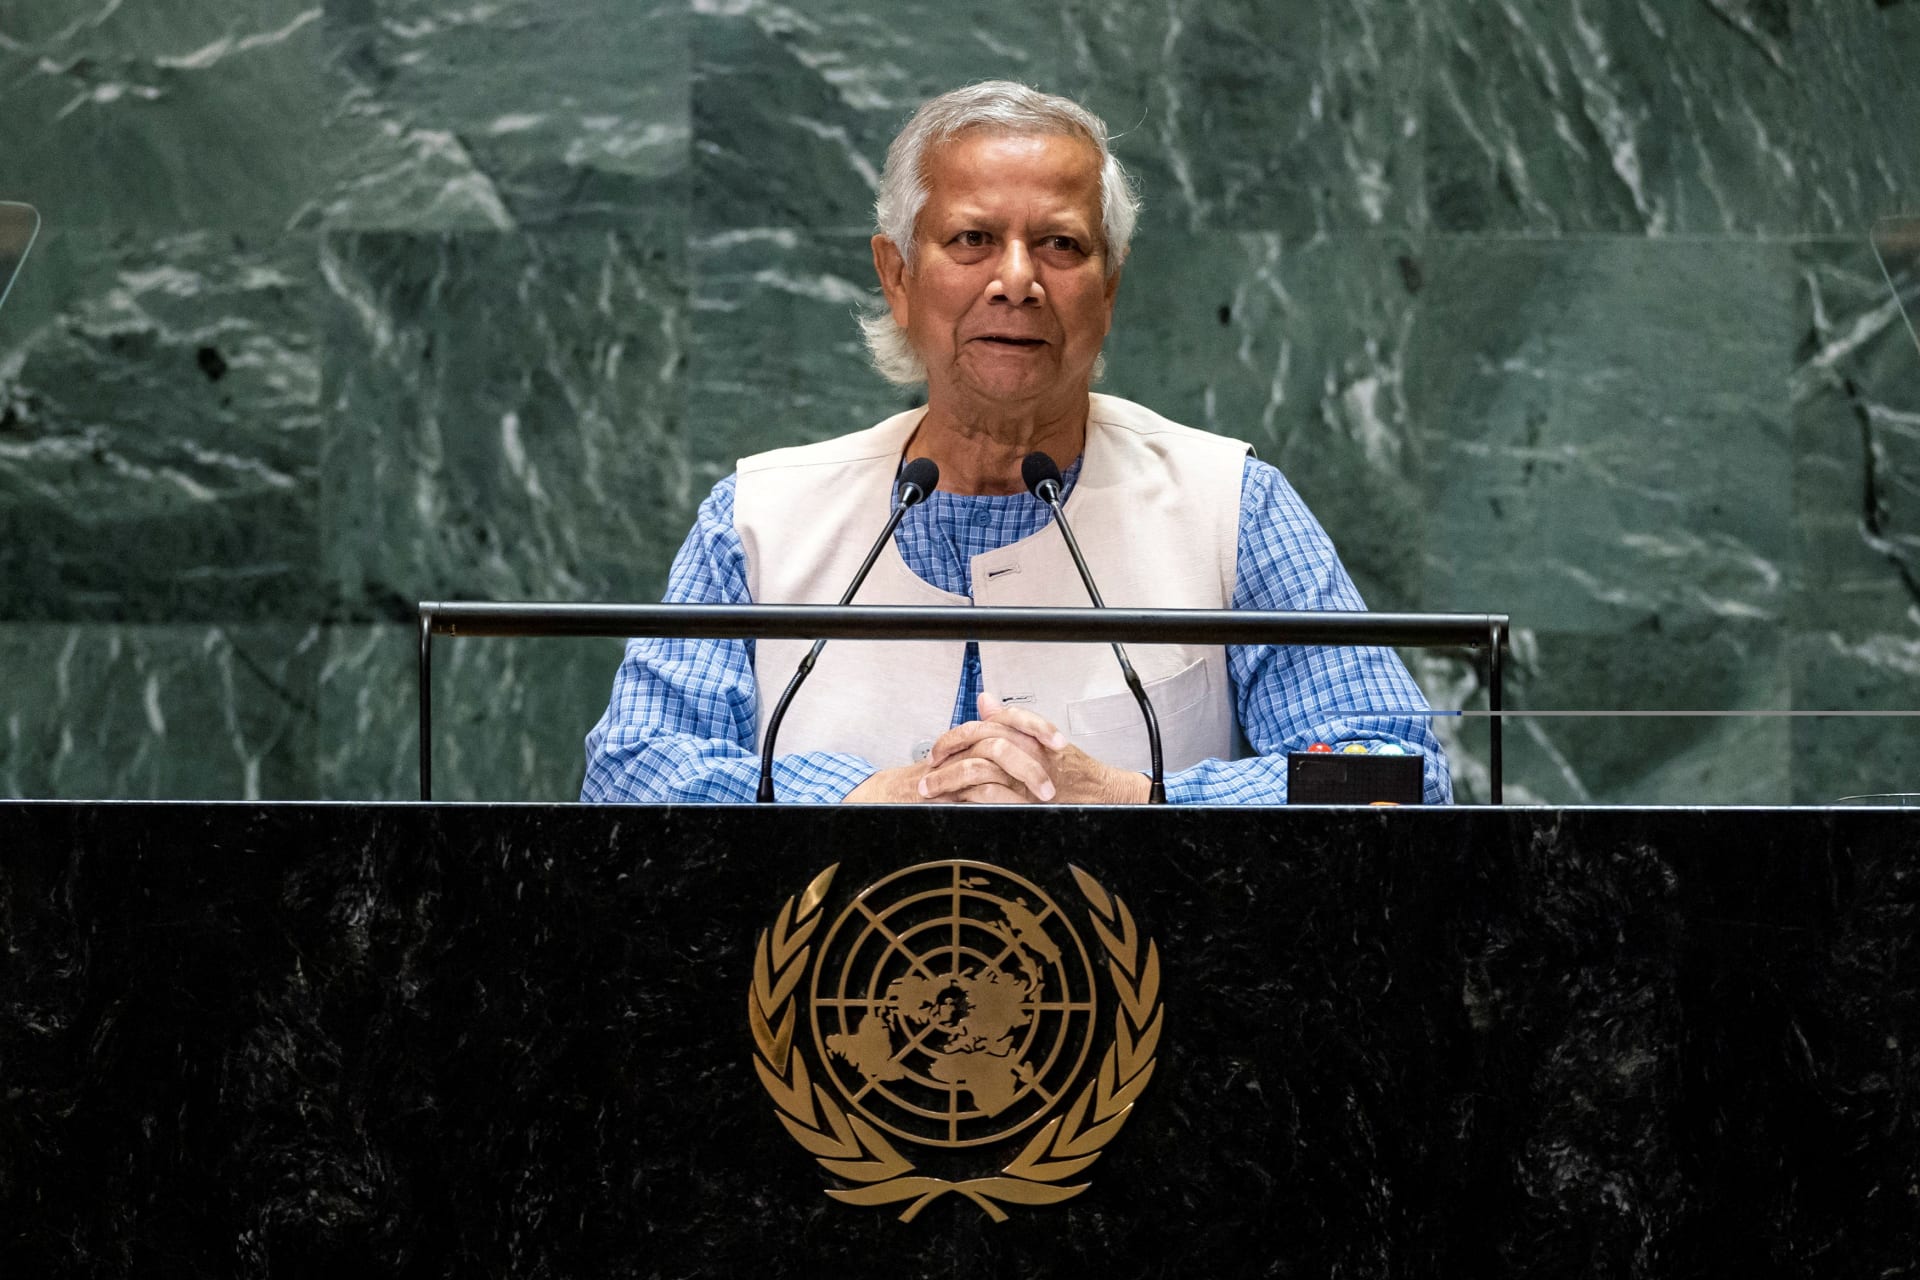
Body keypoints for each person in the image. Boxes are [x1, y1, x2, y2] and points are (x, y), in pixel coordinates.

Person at [583, 81, 1450, 806]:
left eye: (1061, 245)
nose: (1017, 280)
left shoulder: (1233, 505)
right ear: (897, 276)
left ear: (1108, 290)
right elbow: (628, 772)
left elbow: (1393, 775)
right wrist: (862, 798)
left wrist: (1136, 800)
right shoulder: (759, 520)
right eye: (972, 239)